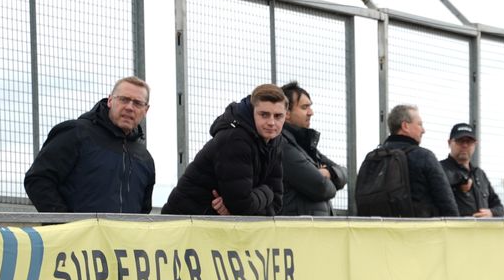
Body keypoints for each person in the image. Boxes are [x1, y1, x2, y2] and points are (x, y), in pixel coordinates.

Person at [23, 76, 157, 215]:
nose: (129, 107)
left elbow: (143, 210)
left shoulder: (145, 158)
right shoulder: (76, 133)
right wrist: (66, 224)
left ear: (146, 110)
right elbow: (38, 180)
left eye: (137, 103)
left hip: (124, 236)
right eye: (123, 99)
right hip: (76, 235)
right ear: (110, 100)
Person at [161, 84, 287, 216]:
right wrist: (267, 192)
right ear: (252, 111)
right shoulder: (235, 139)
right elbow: (243, 205)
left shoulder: (274, 142)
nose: (272, 122)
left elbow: (276, 203)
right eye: (264, 115)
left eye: (278, 116)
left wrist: (239, 210)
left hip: (210, 223)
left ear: (285, 116)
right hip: (184, 222)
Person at [353, 104, 461, 218]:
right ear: (405, 126)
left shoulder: (372, 159)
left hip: (377, 232)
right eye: (419, 124)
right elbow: (447, 204)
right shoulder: (424, 156)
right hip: (417, 232)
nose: (423, 130)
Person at [277, 81, 344, 216]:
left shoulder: (304, 145)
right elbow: (322, 187)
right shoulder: (282, 145)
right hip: (299, 231)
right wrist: (326, 178)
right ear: (287, 113)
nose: (311, 112)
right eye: (304, 107)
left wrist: (329, 173)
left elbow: (344, 173)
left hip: (313, 230)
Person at [441, 123, 504, 218]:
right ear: (449, 143)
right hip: (455, 230)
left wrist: (491, 213)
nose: (465, 145)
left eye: (469, 142)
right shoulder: (439, 169)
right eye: (459, 141)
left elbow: (499, 207)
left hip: (482, 231)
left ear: (475, 144)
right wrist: (459, 182)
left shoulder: (479, 174)